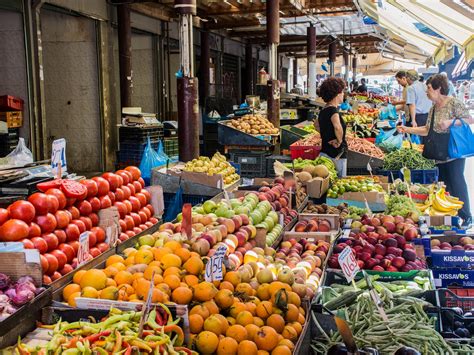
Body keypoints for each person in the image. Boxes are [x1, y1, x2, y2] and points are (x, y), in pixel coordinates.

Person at [397, 74, 473, 226]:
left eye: (429, 89)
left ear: (438, 88)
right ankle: (450, 216)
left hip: (453, 152)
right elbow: (426, 130)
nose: (427, 92)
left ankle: (467, 216)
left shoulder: (453, 103)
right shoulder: (432, 108)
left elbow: (469, 119)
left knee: (456, 182)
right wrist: (407, 129)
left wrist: (451, 122)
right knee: (444, 186)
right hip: (438, 153)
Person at [317, 77, 347, 177]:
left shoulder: (324, 109)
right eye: (342, 92)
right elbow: (337, 127)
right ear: (337, 94)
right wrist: (339, 141)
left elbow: (316, 125)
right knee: (338, 182)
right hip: (336, 154)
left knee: (326, 179)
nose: (343, 94)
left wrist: (326, 136)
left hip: (325, 151)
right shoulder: (333, 111)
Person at [405, 70, 432, 142]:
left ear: (409, 78)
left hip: (418, 117)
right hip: (428, 115)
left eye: (406, 77)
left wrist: (413, 120)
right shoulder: (424, 85)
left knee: (418, 141)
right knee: (425, 138)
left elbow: (412, 105)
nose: (406, 80)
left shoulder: (411, 88)